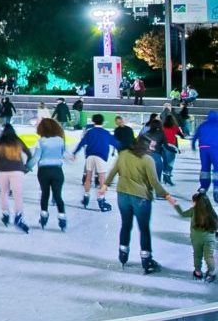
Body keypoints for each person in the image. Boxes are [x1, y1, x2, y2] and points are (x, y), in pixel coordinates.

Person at [100, 128, 177, 274]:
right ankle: (146, 260)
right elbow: (154, 182)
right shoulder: (148, 160)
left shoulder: (123, 155)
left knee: (126, 225)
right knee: (144, 228)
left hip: (122, 195)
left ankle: (123, 254)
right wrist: (167, 196)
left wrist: (104, 186)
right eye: (151, 147)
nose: (152, 149)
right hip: (140, 198)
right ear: (146, 146)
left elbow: (113, 172)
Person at [70, 114, 117, 211]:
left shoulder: (89, 132)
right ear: (102, 122)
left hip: (90, 156)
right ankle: (101, 199)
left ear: (93, 121)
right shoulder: (106, 133)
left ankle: (86, 196)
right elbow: (116, 143)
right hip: (101, 157)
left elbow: (82, 143)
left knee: (88, 177)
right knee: (102, 179)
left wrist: (75, 152)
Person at [30, 118, 68, 231]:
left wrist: (26, 167)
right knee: (57, 195)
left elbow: (36, 158)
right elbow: (63, 153)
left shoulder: (41, 141)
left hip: (44, 171)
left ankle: (44, 215)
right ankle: (62, 216)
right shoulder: (60, 140)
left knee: (45, 194)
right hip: (57, 170)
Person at [0, 124, 32, 232]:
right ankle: (18, 216)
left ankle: (5, 213)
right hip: (17, 170)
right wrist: (26, 168)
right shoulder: (17, 141)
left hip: (3, 171)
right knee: (17, 195)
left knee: (4, 193)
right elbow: (29, 154)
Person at [174, 192, 218, 282]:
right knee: (209, 257)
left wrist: (175, 204)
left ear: (196, 202)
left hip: (196, 238)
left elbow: (182, 214)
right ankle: (212, 273)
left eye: (193, 201)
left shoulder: (193, 210)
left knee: (197, 255)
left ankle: (197, 272)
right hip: (209, 239)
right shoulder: (211, 212)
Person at [193, 110, 218, 203]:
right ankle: (217, 187)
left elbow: (195, 136)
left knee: (205, 168)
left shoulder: (203, 125)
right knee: (217, 169)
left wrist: (193, 145)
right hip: (216, 148)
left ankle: (203, 186)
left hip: (203, 149)